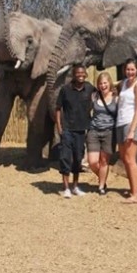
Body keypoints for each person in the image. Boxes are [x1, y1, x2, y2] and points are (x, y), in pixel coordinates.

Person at [55, 64, 96, 198]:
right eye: (78, 73)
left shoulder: (89, 88)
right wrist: (59, 127)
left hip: (81, 130)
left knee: (78, 158)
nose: (80, 75)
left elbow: (102, 94)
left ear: (86, 74)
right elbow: (58, 108)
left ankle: (75, 186)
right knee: (65, 158)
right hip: (67, 129)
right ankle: (66, 187)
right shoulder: (65, 90)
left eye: (82, 73)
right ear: (73, 75)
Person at [116, 58, 137, 204]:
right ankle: (132, 189)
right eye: (128, 69)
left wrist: (132, 130)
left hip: (132, 124)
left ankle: (136, 194)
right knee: (124, 158)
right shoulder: (123, 84)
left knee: (130, 159)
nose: (130, 72)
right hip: (120, 123)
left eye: (132, 69)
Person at [86, 72, 117, 195]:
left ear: (109, 83)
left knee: (104, 161)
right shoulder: (94, 96)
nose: (103, 86)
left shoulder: (116, 97)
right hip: (94, 131)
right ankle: (102, 178)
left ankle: (101, 186)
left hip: (109, 132)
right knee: (92, 162)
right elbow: (86, 110)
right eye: (100, 83)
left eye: (105, 83)